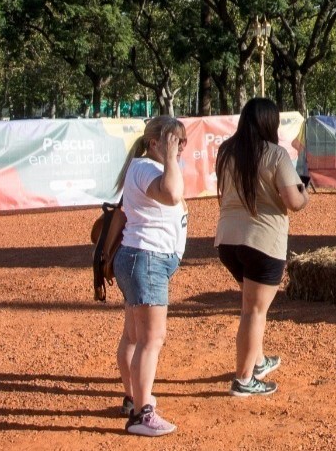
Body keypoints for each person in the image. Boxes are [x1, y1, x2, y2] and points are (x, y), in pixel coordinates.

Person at [215, 97, 309, 397]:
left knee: (251, 307)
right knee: (253, 311)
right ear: (270, 123)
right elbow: (294, 202)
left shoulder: (226, 151)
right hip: (263, 242)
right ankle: (244, 380)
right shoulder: (276, 154)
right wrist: (305, 193)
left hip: (228, 240)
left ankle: (257, 361)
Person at [113, 115, 188, 437]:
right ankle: (142, 414)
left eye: (183, 141)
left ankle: (133, 399)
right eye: (174, 140)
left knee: (134, 335)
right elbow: (171, 195)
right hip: (146, 260)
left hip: (143, 259)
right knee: (150, 340)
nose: (181, 146)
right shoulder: (146, 167)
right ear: (154, 143)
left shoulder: (148, 166)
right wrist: (171, 158)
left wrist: (171, 157)